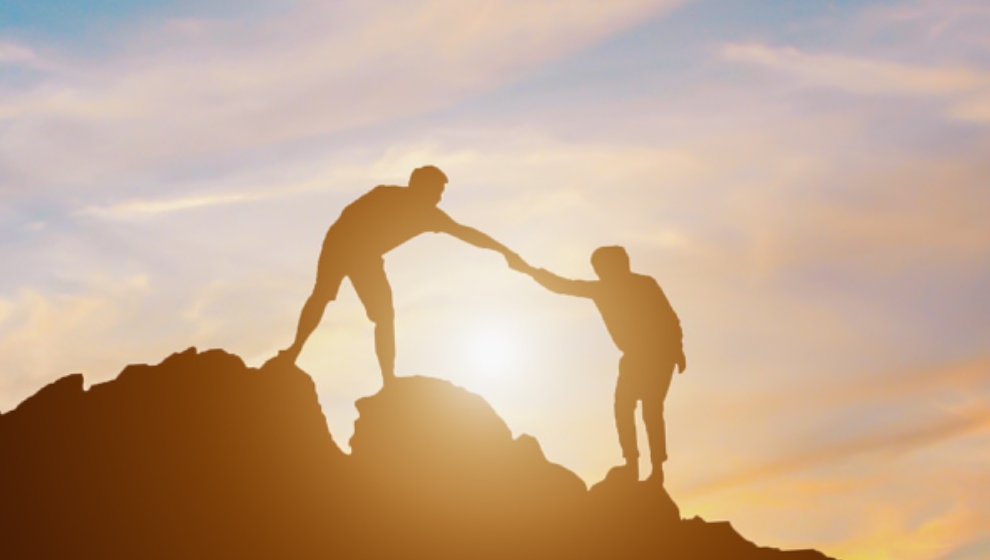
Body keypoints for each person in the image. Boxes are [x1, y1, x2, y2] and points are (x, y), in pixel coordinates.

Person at [279, 166, 520, 388]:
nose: (438, 197)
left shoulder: (430, 216)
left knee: (384, 315)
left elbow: (465, 233)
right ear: (417, 186)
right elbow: (349, 215)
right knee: (322, 295)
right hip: (341, 242)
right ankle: (293, 351)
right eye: (436, 190)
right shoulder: (385, 195)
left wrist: (504, 251)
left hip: (367, 255)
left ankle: (388, 381)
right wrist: (351, 254)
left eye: (441, 192)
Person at [512, 246, 685, 484]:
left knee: (650, 409)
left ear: (622, 264)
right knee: (624, 407)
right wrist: (530, 271)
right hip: (634, 356)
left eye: (604, 267)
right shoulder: (600, 289)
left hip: (658, 354)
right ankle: (632, 464)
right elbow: (563, 286)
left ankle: (656, 470)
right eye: (598, 268)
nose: (601, 272)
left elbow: (668, 317)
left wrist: (677, 350)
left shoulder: (645, 285)